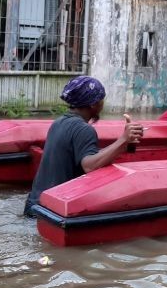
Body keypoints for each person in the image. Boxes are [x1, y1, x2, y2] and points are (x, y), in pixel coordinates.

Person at [23, 76, 144, 215]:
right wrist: (123, 140)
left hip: (34, 205)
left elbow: (89, 156)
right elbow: (89, 166)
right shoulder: (84, 129)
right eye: (101, 99)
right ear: (93, 104)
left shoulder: (58, 123)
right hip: (51, 212)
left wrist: (124, 145)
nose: (103, 104)